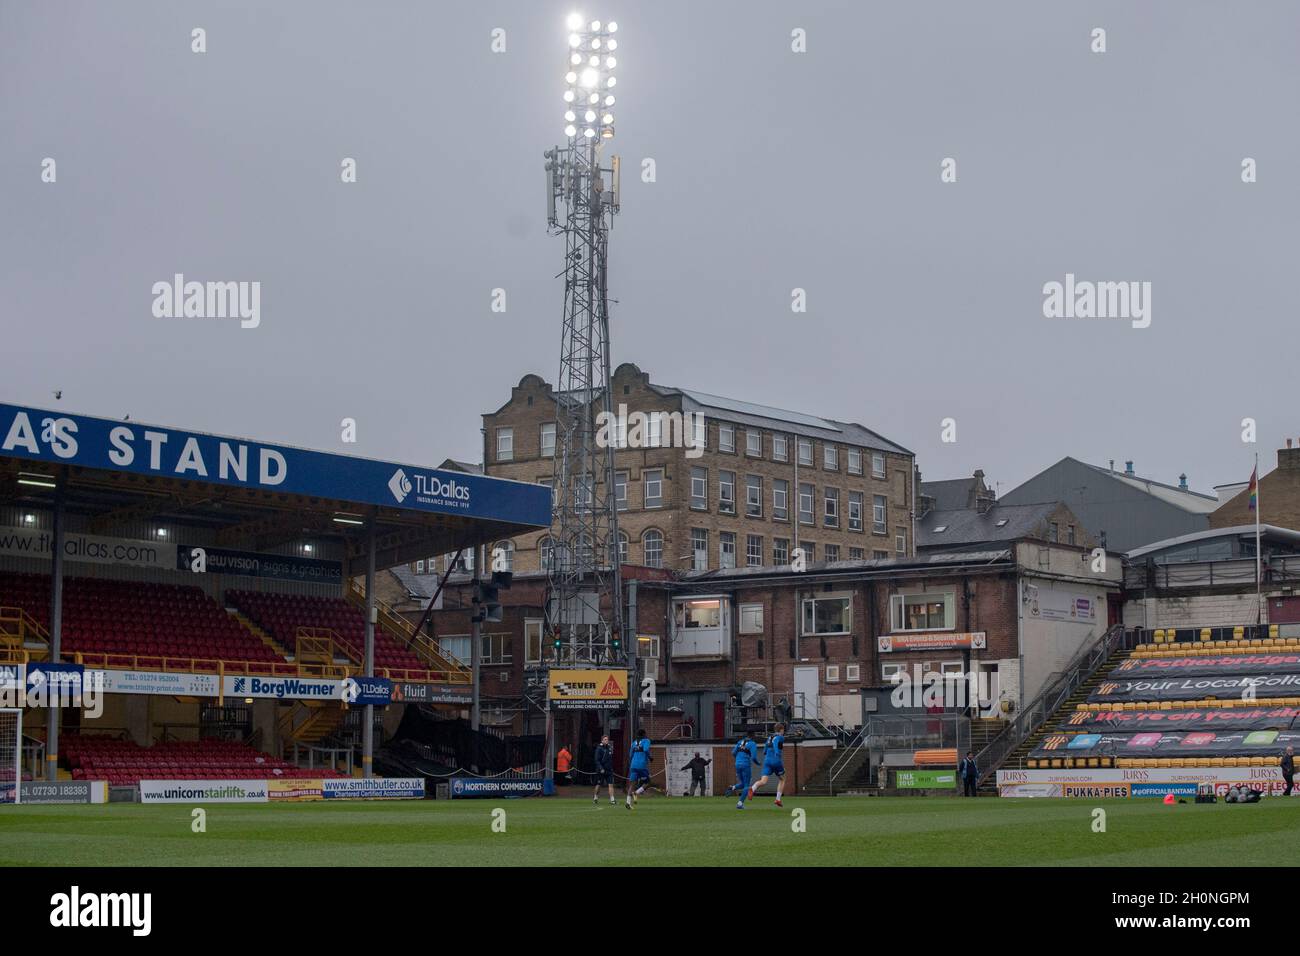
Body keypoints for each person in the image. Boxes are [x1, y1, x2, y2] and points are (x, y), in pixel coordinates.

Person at [748, 723, 787, 807]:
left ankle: (753, 788)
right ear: (781, 730)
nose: (783, 732)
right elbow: (776, 743)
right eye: (783, 730)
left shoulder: (769, 737)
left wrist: (766, 752)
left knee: (763, 781)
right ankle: (778, 799)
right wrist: (777, 752)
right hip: (776, 760)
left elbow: (765, 749)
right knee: (782, 779)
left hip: (767, 761)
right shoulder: (780, 737)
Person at [728, 733, 761, 810]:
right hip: (745, 765)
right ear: (753, 737)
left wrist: (738, 759)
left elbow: (733, 752)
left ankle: (732, 787)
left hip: (737, 764)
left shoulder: (740, 742)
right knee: (747, 785)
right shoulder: (752, 744)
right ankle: (740, 803)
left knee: (742, 784)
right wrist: (758, 763)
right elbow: (753, 757)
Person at [625, 729, 652, 809]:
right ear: (644, 734)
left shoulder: (634, 743)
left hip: (633, 765)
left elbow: (630, 755)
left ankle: (628, 802)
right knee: (647, 782)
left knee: (632, 784)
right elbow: (646, 749)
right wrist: (650, 757)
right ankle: (636, 793)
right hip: (642, 766)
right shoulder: (646, 741)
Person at [593, 734, 616, 805]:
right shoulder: (599, 748)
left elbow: (610, 759)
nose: (607, 741)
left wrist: (611, 768)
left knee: (611, 784)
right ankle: (595, 797)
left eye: (607, 739)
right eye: (605, 739)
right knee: (598, 784)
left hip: (609, 770)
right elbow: (597, 760)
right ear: (602, 740)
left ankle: (612, 800)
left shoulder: (609, 747)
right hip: (601, 770)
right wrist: (601, 768)